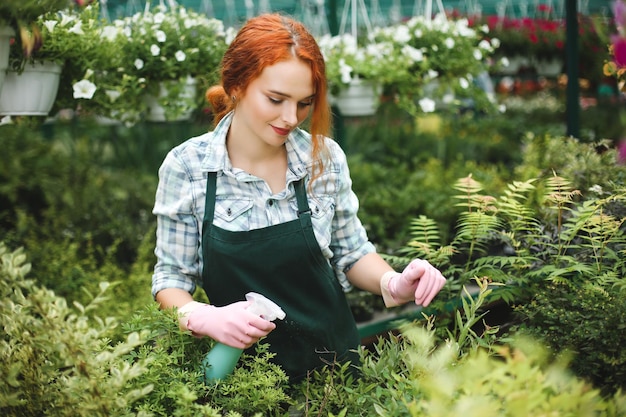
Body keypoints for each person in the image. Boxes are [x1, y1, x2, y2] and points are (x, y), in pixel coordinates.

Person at [151, 13, 446, 382]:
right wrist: (205, 317)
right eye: (276, 99)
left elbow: (351, 251)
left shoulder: (323, 159)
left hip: (334, 375)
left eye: (304, 103)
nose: (291, 117)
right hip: (244, 385)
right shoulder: (189, 167)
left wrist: (393, 283)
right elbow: (170, 279)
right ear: (237, 85)